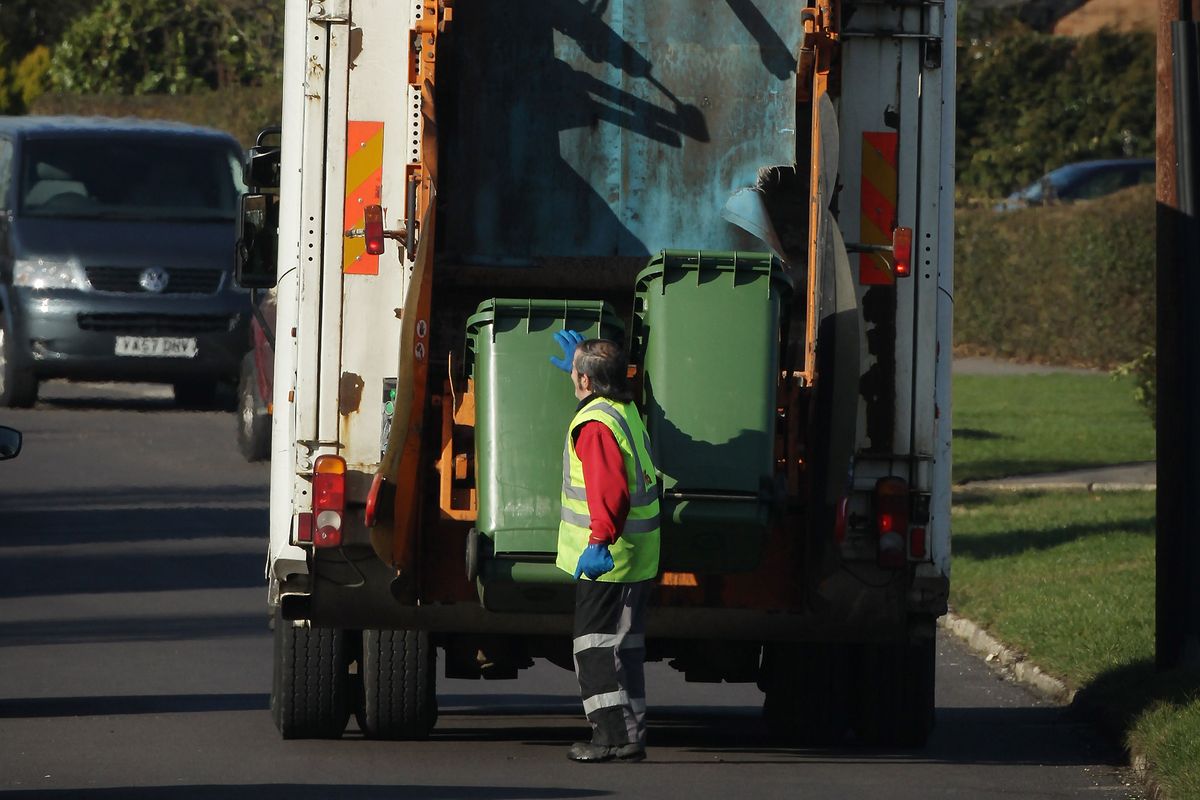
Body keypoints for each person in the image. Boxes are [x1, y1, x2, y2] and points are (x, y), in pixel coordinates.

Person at [549, 330, 661, 763]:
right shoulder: (625, 410)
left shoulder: (595, 425)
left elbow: (609, 492)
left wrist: (598, 541)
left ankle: (610, 737)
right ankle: (631, 734)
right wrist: (583, 366)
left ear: (587, 382)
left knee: (594, 647)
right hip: (636, 554)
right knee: (625, 649)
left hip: (607, 559)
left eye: (577, 372)